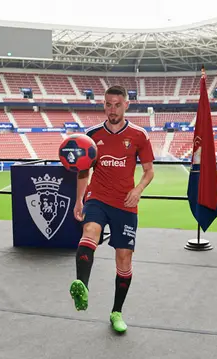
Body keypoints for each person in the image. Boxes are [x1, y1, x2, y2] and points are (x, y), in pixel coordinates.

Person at [68, 85, 155, 334]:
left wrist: (137, 191)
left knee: (124, 258)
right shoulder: (91, 135)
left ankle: (116, 311)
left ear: (127, 105)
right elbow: (84, 171)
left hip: (126, 204)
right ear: (103, 105)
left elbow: (149, 171)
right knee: (90, 231)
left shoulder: (139, 135)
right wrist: (79, 200)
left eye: (117, 104)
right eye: (108, 104)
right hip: (98, 197)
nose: (112, 109)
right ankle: (81, 286)